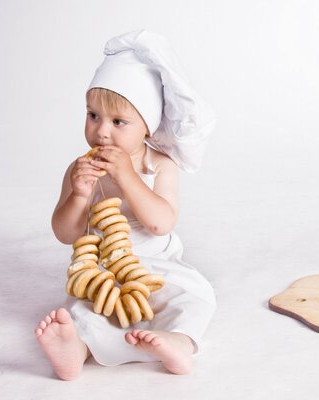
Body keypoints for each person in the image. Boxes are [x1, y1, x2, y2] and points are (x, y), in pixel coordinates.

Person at [34, 30, 217, 380]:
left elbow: (161, 223)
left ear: (147, 126)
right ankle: (78, 349)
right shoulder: (80, 169)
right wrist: (78, 195)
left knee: (195, 297)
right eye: (93, 116)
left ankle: (177, 342)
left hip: (158, 266)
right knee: (87, 310)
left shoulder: (159, 165)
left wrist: (128, 177)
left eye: (118, 122)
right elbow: (65, 232)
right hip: (104, 267)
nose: (102, 132)